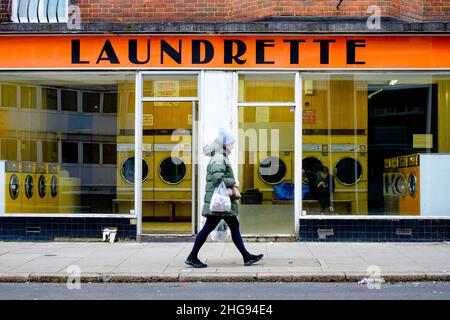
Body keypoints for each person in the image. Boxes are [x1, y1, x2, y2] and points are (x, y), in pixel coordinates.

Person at [185, 128, 264, 268]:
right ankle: (192, 257)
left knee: (232, 226)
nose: (233, 146)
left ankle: (246, 257)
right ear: (226, 144)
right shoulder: (219, 157)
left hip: (220, 201)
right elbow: (217, 179)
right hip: (219, 201)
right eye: (232, 143)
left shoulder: (220, 156)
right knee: (212, 228)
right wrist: (234, 182)